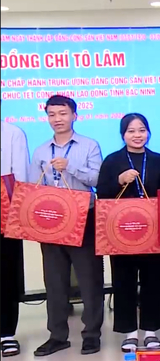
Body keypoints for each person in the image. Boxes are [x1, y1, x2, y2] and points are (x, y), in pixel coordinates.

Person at [29, 95, 104, 357]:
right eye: (52, 114)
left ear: (74, 115)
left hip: (84, 217)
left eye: (62, 113)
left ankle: (92, 334)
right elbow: (33, 188)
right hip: (51, 222)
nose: (57, 119)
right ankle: (57, 336)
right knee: (55, 281)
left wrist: (70, 167)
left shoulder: (89, 145)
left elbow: (97, 179)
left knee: (89, 279)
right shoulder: (40, 150)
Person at [95, 113, 160, 351]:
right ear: (123, 134)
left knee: (152, 281)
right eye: (131, 131)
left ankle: (151, 331)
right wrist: (119, 180)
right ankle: (129, 332)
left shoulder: (158, 160)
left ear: (148, 132)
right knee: (123, 280)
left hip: (152, 231)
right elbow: (102, 193)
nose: (137, 135)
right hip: (120, 232)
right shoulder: (113, 160)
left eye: (141, 130)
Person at [1, 120, 29, 358]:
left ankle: (6, 334)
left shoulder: (12, 133)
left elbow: (20, 176)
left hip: (4, 207)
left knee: (6, 273)